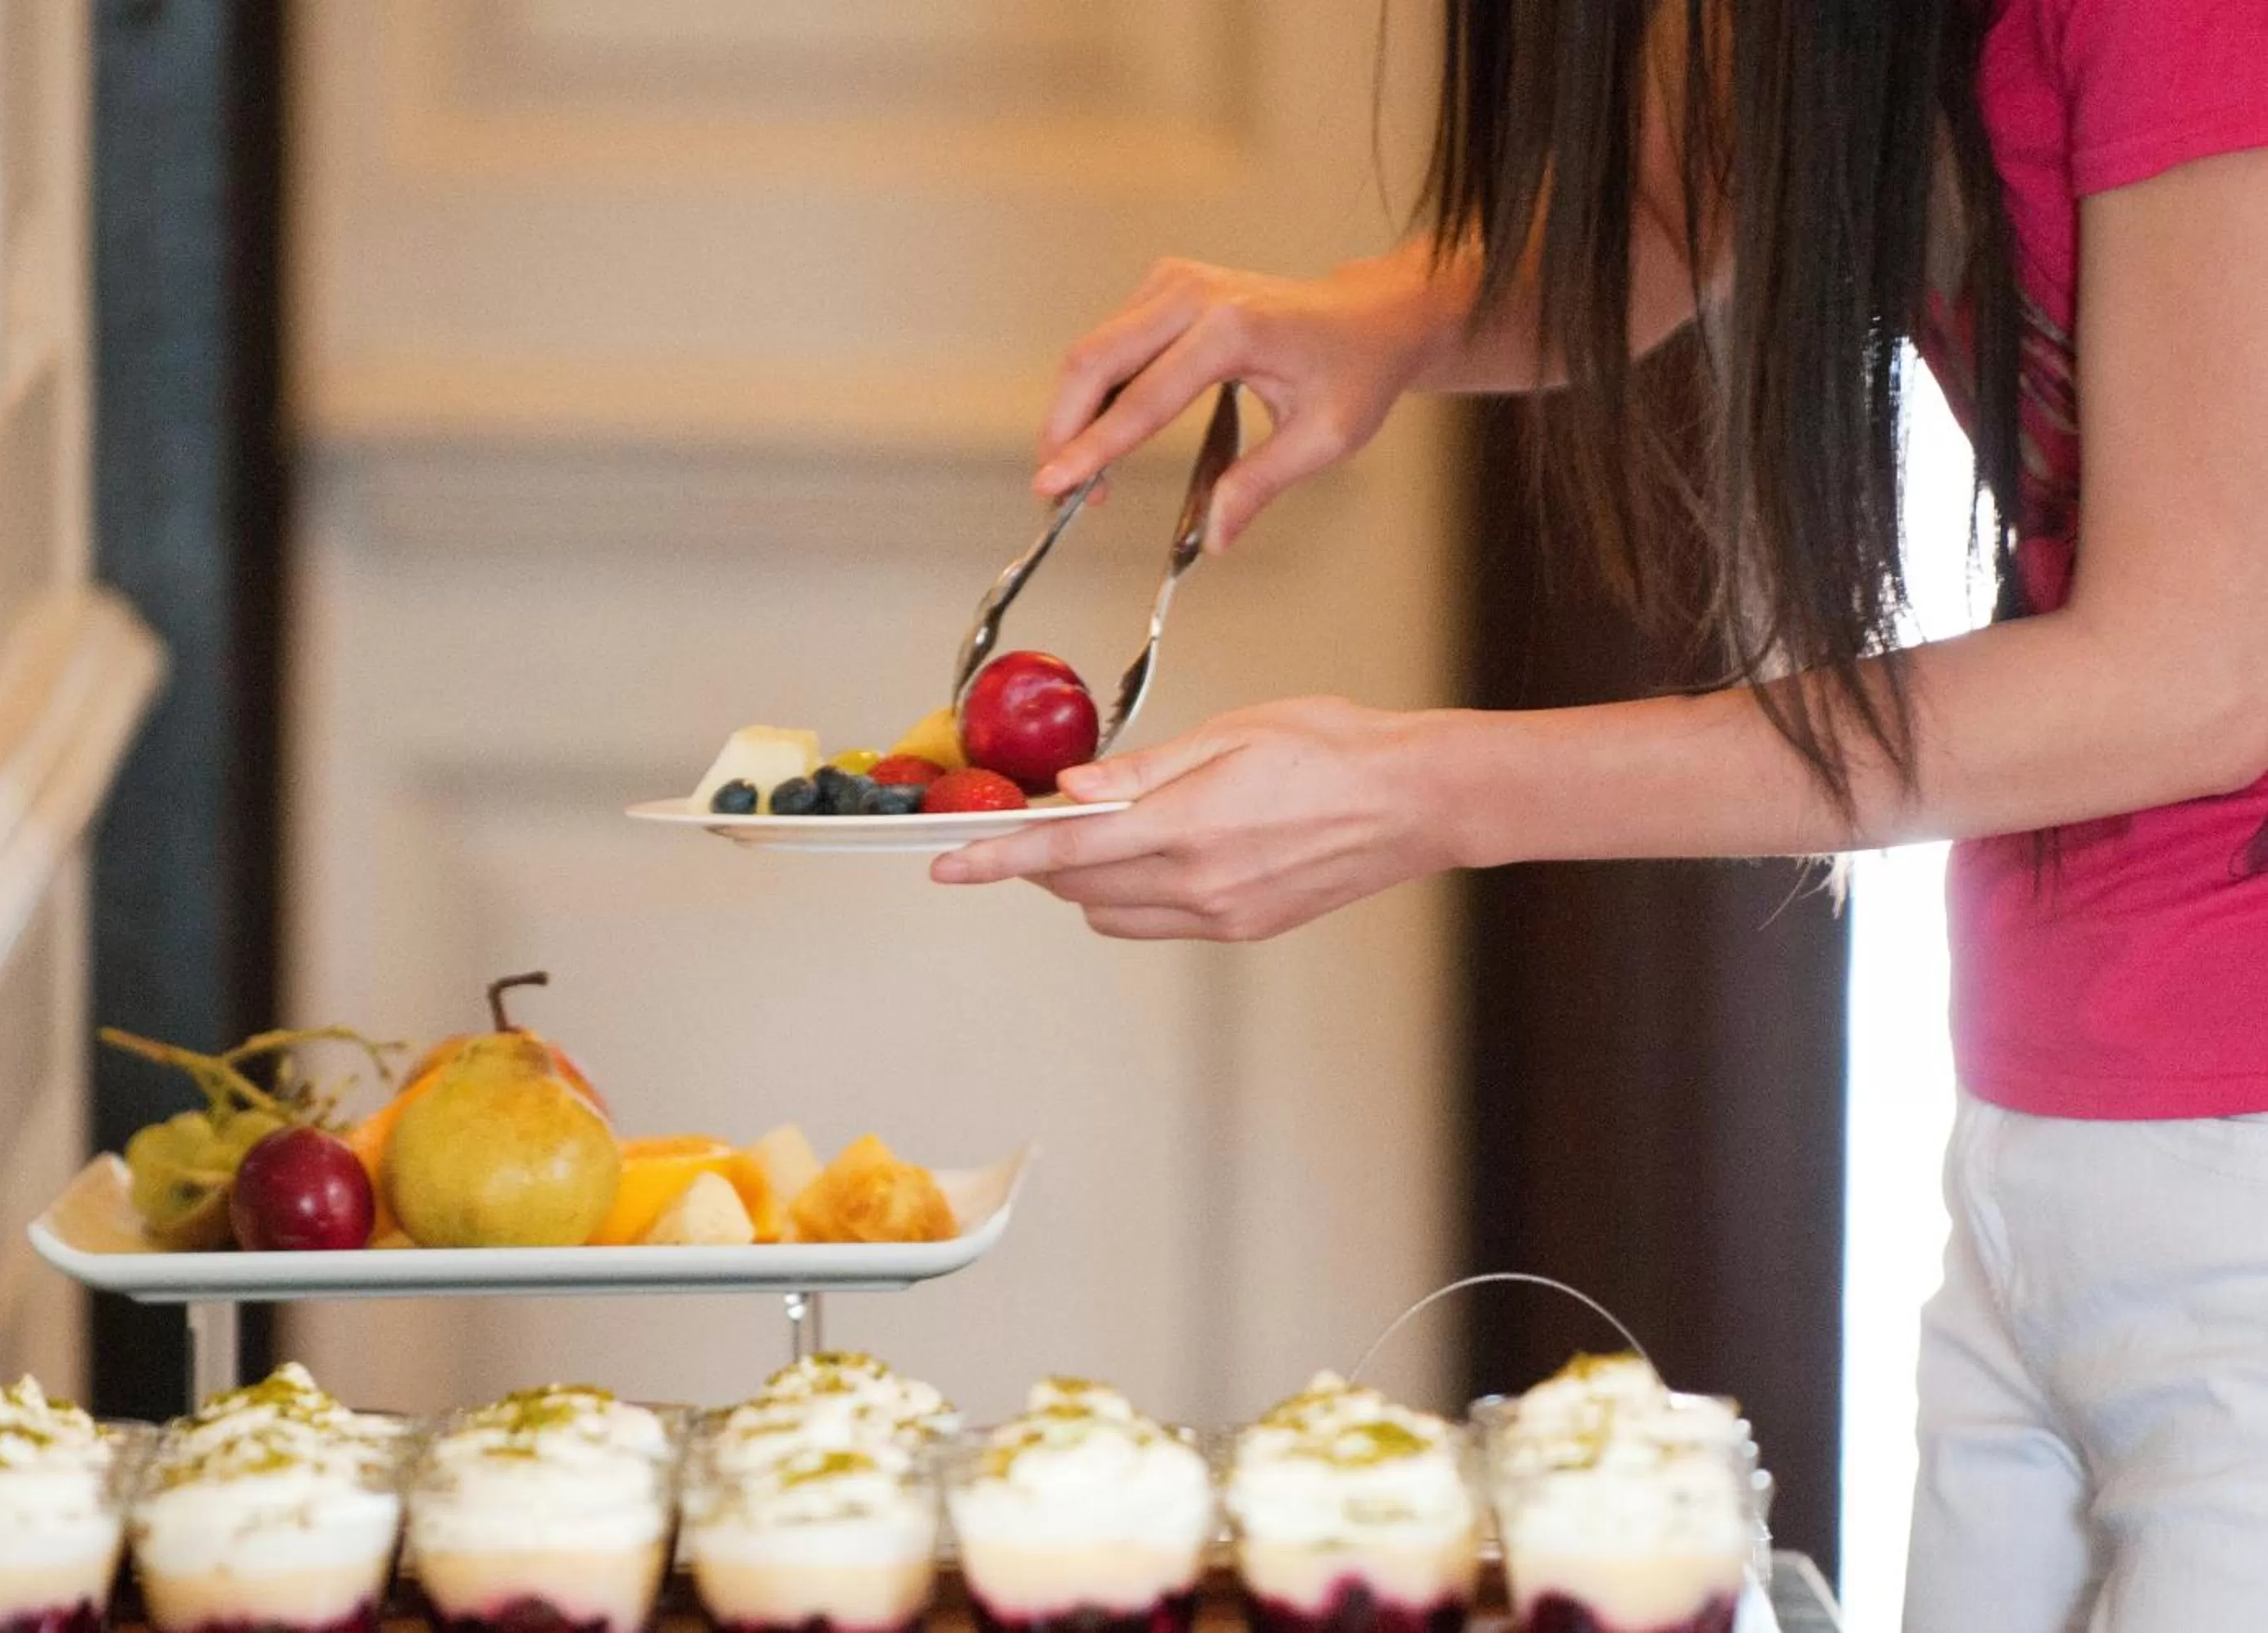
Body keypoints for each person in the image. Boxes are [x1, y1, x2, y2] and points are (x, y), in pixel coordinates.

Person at [932, 2, 2268, 1626]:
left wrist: (1429, 791)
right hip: (2046, 1148)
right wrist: (1382, 318)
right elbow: (1704, 191)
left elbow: (2198, 674)